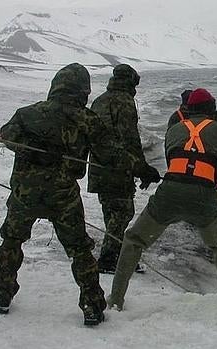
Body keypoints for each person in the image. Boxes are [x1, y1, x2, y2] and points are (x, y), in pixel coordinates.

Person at [0, 63, 129, 326]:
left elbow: (7, 135)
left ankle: (3, 293)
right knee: (79, 250)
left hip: (25, 193)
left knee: (12, 240)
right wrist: (139, 167)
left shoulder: (27, 113)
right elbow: (110, 154)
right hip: (63, 197)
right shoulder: (87, 119)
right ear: (83, 90)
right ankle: (91, 305)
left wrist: (32, 147)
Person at [107, 88, 217, 309]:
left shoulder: (174, 130)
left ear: (189, 109)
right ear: (212, 110)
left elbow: (178, 165)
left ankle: (115, 300)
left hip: (169, 193)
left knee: (134, 240)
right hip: (203, 197)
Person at [88, 64, 161, 274]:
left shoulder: (99, 100)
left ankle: (114, 254)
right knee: (123, 212)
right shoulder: (125, 102)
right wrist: (143, 169)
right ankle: (109, 260)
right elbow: (130, 140)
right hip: (118, 169)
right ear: (131, 81)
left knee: (111, 212)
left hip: (98, 167)